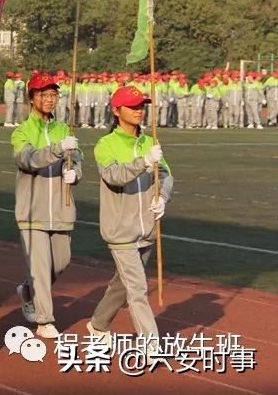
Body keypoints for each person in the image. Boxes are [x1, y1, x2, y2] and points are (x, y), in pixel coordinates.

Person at [87, 85, 173, 357]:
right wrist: (143, 162)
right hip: (120, 230)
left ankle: (98, 325)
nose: (139, 110)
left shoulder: (150, 141)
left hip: (147, 228)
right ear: (116, 111)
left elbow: (167, 175)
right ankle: (151, 344)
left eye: (141, 106)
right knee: (137, 288)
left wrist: (163, 196)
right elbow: (113, 176)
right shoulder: (106, 145)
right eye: (132, 106)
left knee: (121, 285)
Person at [11, 72, 82, 339]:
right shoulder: (22, 131)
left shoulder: (64, 129)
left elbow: (77, 158)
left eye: (53, 95)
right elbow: (27, 159)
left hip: (62, 209)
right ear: (32, 98)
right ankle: (44, 319)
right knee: (40, 268)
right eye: (44, 95)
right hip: (33, 210)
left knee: (61, 262)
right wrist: (56, 149)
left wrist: (75, 170)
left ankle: (28, 291)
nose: (50, 100)